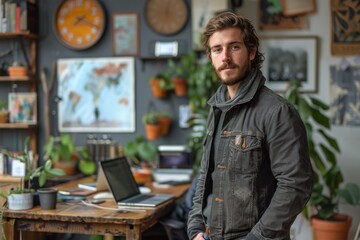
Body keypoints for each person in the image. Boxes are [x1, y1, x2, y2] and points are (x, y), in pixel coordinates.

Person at [187, 11, 313, 240]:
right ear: (211, 57)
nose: (225, 56)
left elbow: (295, 186)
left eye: (234, 47)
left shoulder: (277, 112)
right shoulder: (216, 108)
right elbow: (205, 174)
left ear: (252, 52)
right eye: (217, 49)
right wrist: (195, 228)